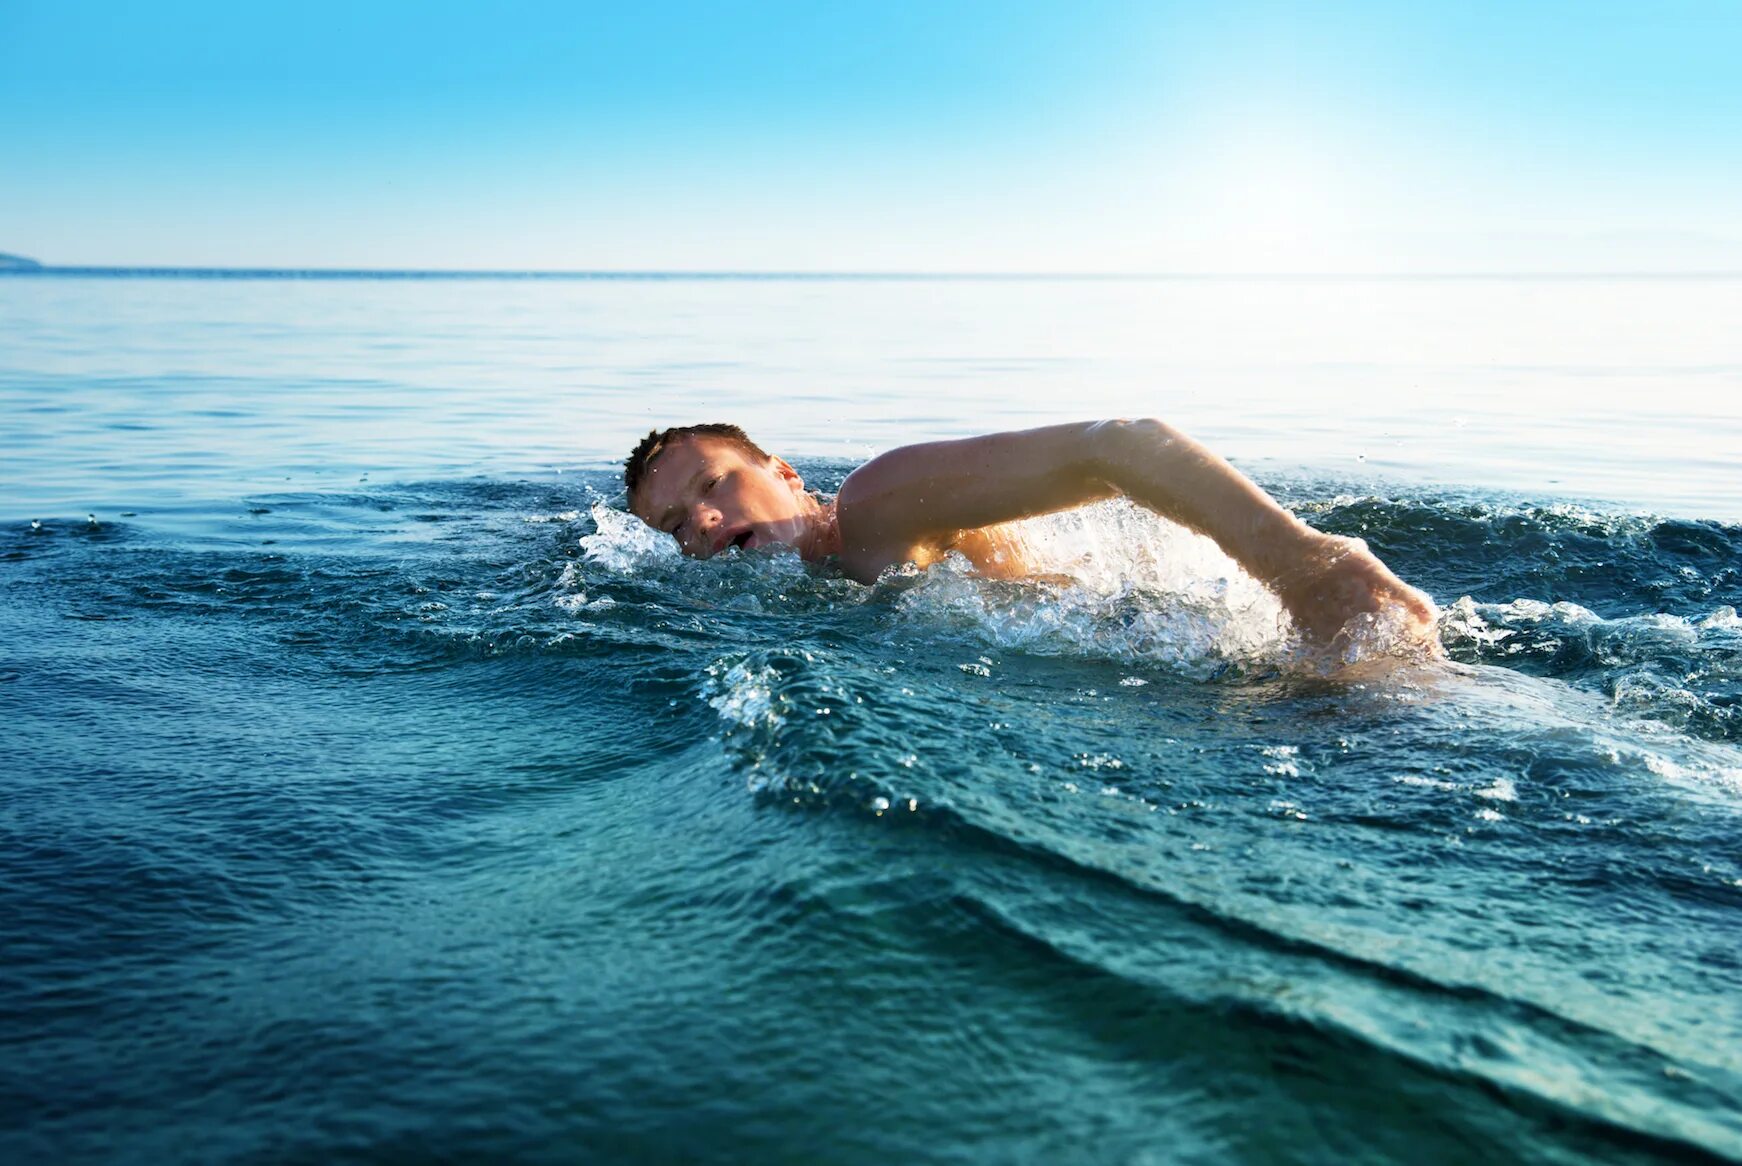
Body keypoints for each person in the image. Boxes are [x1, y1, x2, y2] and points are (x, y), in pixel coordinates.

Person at [624, 419, 1439, 653]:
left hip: (1199, 633)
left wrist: (1303, 567)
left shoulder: (877, 506)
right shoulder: (772, 604)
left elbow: (1119, 445)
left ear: (789, 474)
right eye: (673, 524)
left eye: (713, 482)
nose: (698, 519)